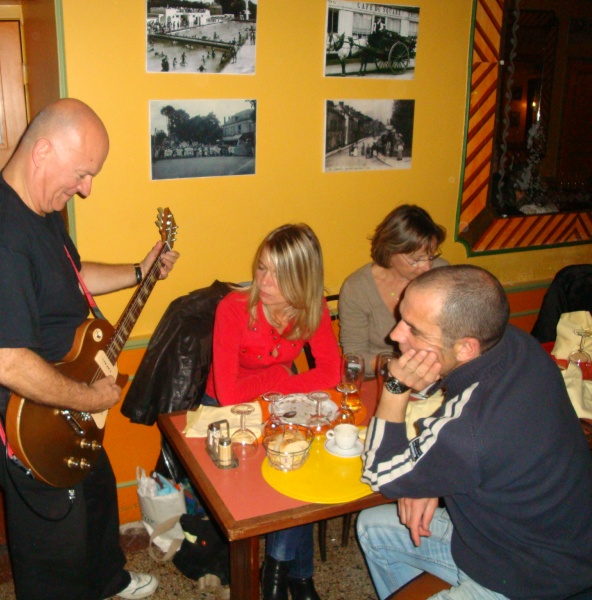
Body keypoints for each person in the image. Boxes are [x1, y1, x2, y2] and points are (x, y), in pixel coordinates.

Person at [0, 99, 179, 600]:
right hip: (22, 409)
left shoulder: (39, 207)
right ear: (44, 151)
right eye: (82, 174)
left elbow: (71, 279)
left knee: (94, 489)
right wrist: (89, 398)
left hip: (64, 386)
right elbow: (4, 362)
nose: (87, 189)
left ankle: (107, 581)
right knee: (53, 537)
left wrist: (141, 271)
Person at [357, 265, 592, 599]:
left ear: (466, 347)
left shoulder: (471, 432)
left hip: (529, 580)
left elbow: (380, 473)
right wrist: (425, 480)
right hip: (534, 543)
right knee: (372, 528)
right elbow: (452, 423)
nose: (395, 335)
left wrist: (395, 387)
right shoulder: (514, 343)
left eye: (414, 329)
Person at [204, 224, 340, 600]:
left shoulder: (310, 309)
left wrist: (279, 382)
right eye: (262, 267)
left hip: (278, 403)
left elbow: (331, 371)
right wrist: (280, 377)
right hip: (229, 411)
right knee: (284, 473)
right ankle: (294, 575)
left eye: (279, 274)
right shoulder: (233, 309)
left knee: (297, 465)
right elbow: (230, 393)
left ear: (302, 279)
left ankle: (282, 571)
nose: (264, 281)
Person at [339, 204, 447, 375]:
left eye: (431, 256)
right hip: (378, 378)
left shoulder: (441, 275)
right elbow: (354, 356)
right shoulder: (357, 288)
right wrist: (396, 367)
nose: (427, 267)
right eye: (416, 260)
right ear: (391, 251)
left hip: (433, 373)